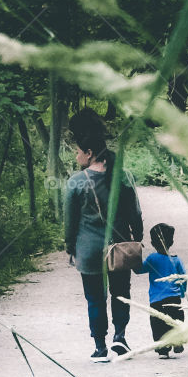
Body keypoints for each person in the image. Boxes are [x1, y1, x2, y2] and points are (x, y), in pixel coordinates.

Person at [63, 108, 143, 362]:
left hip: (89, 251)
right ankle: (120, 337)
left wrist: (70, 247)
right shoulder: (123, 176)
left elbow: (70, 222)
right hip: (119, 248)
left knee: (94, 298)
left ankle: (100, 347)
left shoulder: (76, 182)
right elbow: (135, 214)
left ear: (89, 153)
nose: (76, 156)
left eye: (77, 151)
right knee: (121, 294)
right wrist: (137, 239)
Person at [135, 222, 187, 358]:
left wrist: (133, 257)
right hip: (174, 298)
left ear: (152, 243)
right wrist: (182, 292)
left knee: (158, 324)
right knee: (176, 321)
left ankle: (163, 350)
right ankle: (177, 341)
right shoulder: (176, 260)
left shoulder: (152, 258)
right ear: (172, 241)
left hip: (156, 299)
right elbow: (183, 278)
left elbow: (139, 270)